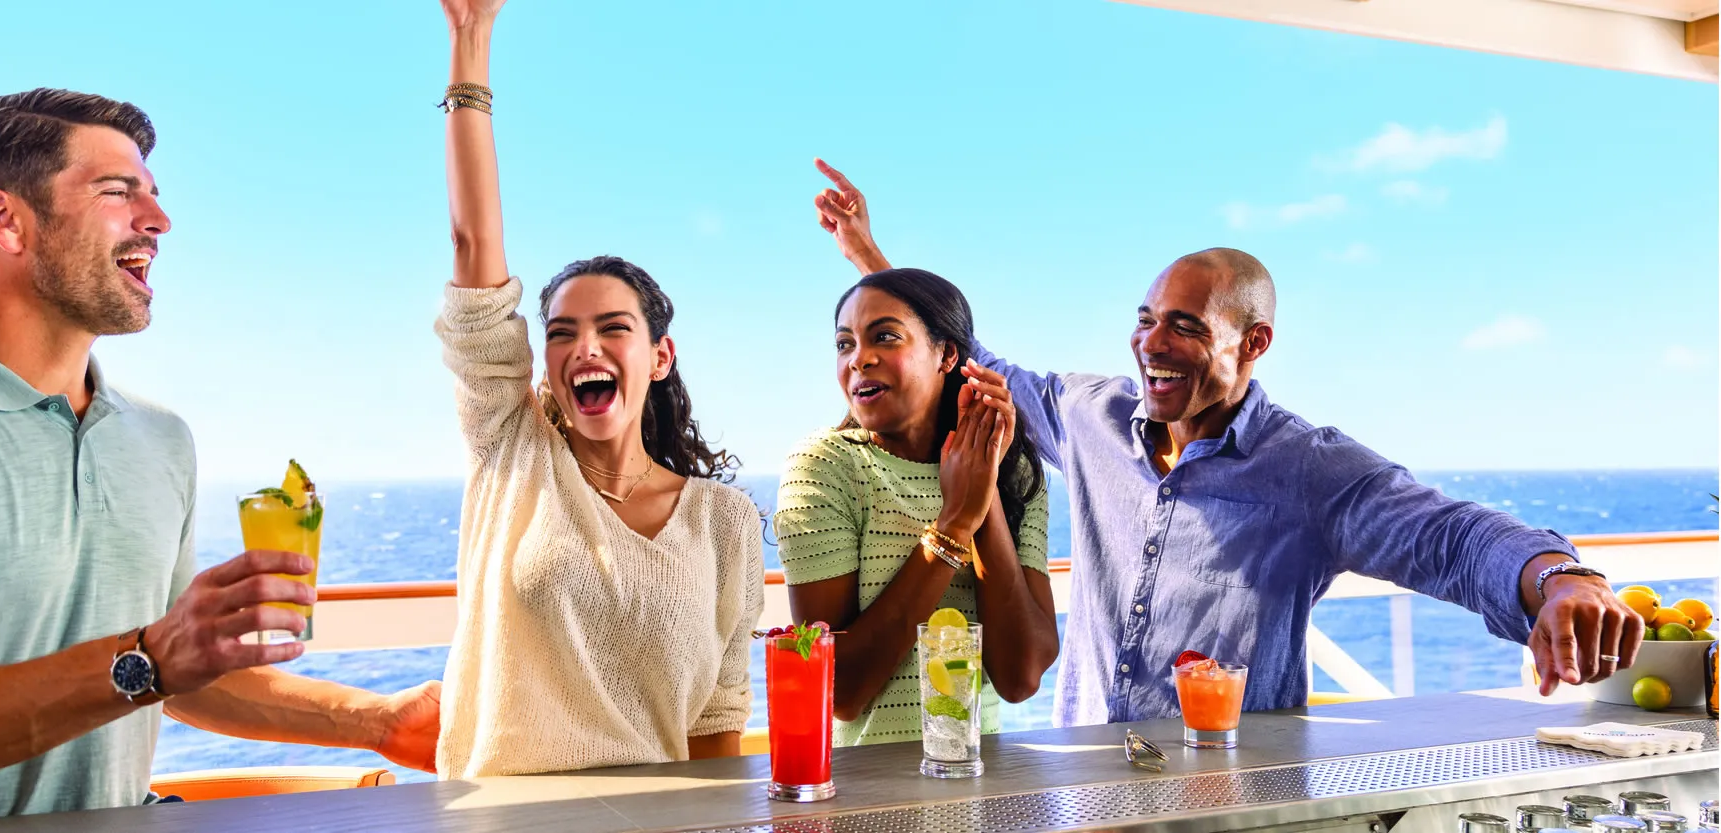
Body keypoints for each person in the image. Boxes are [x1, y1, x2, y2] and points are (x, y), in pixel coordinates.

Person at [806, 159, 1644, 728]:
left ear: (1255, 342)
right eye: (1145, 320)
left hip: (1234, 798)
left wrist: (1559, 578)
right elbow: (967, 358)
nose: (1152, 344)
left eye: (1184, 326)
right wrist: (872, 259)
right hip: (1088, 796)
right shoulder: (1090, 416)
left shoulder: (1310, 470)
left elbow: (1451, 535)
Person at [0, 89, 442, 828]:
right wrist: (150, 656)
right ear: (5, 220)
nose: (159, 220)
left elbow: (170, 675)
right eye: (118, 192)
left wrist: (380, 721)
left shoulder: (159, 438)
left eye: (153, 193)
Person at [429, 0, 764, 778]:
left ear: (659, 356)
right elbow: (473, 243)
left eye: (613, 327)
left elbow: (718, 723)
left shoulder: (724, 522)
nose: (584, 347)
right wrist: (470, 40)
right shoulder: (512, 452)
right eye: (561, 332)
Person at [775, 268, 1059, 747]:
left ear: (946, 354)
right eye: (844, 344)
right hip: (867, 788)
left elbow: (1020, 677)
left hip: (981, 782)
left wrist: (983, 485)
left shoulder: (1015, 471)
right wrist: (954, 525)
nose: (859, 359)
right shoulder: (825, 467)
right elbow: (839, 692)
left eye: (885, 337)